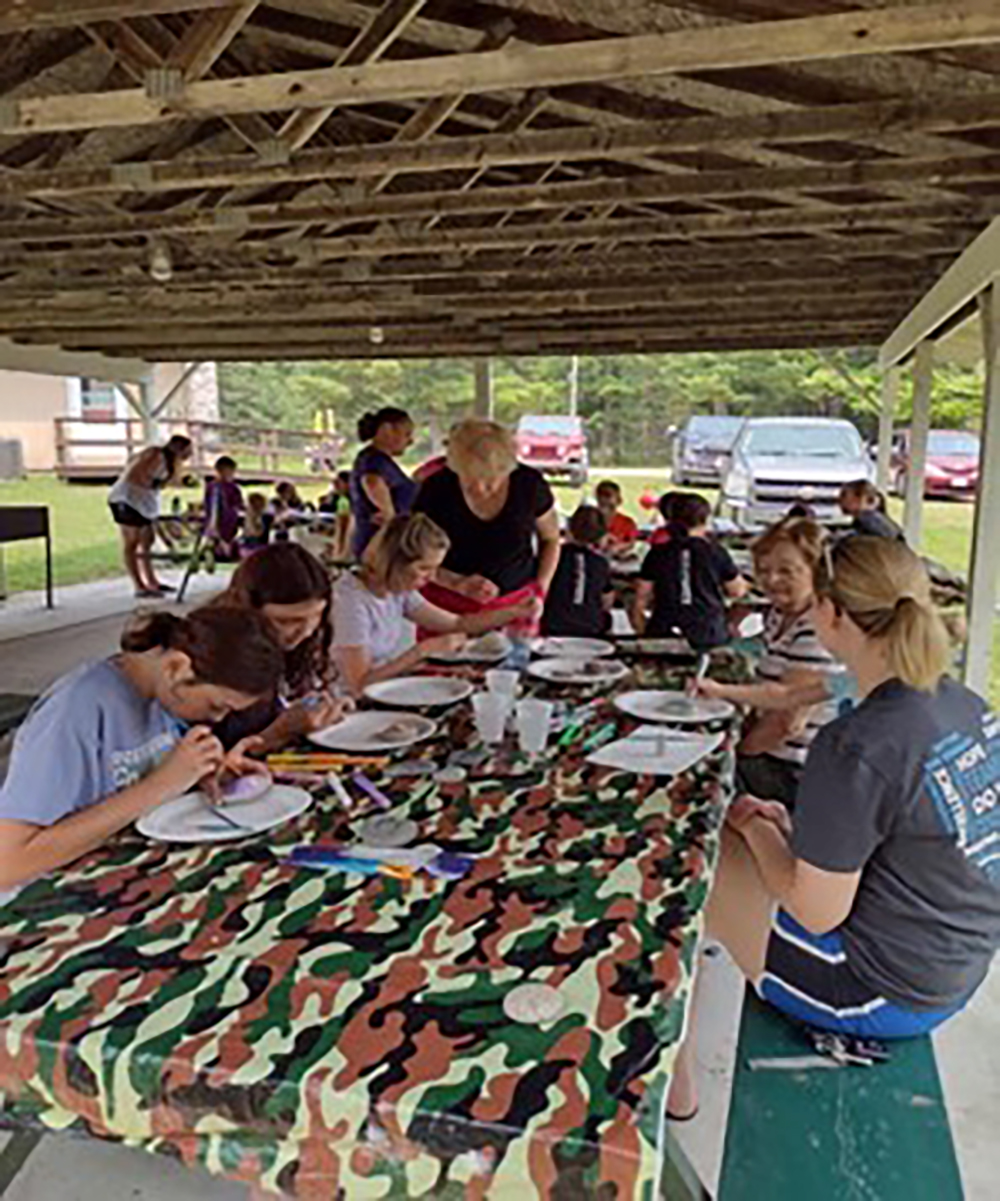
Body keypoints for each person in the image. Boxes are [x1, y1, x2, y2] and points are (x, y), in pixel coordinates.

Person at [667, 536, 1000, 1121]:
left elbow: (816, 912)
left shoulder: (857, 743)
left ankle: (672, 1094)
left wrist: (755, 828)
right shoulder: (964, 704)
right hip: (956, 966)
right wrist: (787, 826)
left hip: (877, 992)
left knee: (688, 865)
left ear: (832, 613)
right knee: (741, 840)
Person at [0, 608, 284, 893]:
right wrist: (161, 785)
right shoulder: (77, 710)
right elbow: (9, 863)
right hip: (42, 903)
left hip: (116, 878)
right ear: (176, 668)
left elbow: (149, 773)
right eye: (217, 705)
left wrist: (204, 773)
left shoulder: (164, 697)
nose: (217, 719)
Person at [698, 519, 846, 808]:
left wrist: (739, 753)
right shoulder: (781, 614)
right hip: (779, 757)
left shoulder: (818, 628)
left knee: (698, 782)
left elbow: (787, 722)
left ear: (817, 571)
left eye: (786, 571)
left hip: (797, 774)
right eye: (763, 570)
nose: (771, 579)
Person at [332, 514, 540, 697]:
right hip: (346, 704)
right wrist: (422, 652)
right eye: (424, 568)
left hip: (386, 689)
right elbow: (358, 685)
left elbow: (458, 623)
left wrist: (516, 610)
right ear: (394, 561)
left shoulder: (396, 589)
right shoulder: (350, 601)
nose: (431, 578)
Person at [412, 419, 561, 622]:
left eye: (492, 479)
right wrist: (456, 582)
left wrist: (540, 590)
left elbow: (551, 539)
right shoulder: (435, 489)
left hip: (517, 605)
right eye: (471, 479)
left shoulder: (529, 485)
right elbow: (412, 556)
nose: (482, 488)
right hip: (446, 609)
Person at [210, 542, 348, 752]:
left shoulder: (296, 643)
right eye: (287, 621)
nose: (307, 631)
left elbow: (292, 695)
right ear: (247, 610)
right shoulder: (210, 656)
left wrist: (321, 705)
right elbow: (201, 767)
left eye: (317, 616)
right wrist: (277, 733)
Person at [630, 493, 746, 648]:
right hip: (707, 632)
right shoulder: (715, 552)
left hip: (665, 628)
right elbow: (737, 591)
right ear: (705, 520)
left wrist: (644, 631)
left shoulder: (658, 553)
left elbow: (641, 597)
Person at [108, 433, 193, 598]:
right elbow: (135, 475)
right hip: (127, 500)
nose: (190, 455)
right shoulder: (156, 454)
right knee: (132, 542)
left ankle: (152, 581)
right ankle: (139, 586)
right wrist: (155, 484)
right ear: (179, 448)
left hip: (144, 503)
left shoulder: (171, 462)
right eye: (188, 450)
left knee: (148, 540)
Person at [349, 407, 417, 557]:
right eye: (406, 434)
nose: (410, 441)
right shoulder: (375, 460)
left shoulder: (374, 459)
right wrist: (389, 514)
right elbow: (371, 481)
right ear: (387, 429)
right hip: (378, 543)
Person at [541, 506, 614, 638]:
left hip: (553, 626)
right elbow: (607, 600)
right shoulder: (600, 563)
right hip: (591, 628)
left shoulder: (553, 556)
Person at [203, 455, 244, 561]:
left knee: (226, 539)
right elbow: (210, 505)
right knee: (218, 538)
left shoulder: (233, 488)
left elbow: (238, 504)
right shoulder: (213, 487)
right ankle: (217, 551)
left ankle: (223, 552)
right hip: (219, 519)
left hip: (229, 520)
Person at [839, 479, 904, 541]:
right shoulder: (874, 517)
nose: (839, 500)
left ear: (859, 498)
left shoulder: (869, 519)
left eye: (844, 495)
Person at [318, 470, 354, 560]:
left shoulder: (345, 501)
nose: (336, 486)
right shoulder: (340, 499)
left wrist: (338, 552)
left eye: (339, 483)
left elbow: (342, 526)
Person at [595, 480, 639, 551]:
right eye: (600, 495)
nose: (603, 499)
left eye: (607, 495)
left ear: (619, 500)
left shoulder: (627, 523)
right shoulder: (588, 520)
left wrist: (618, 547)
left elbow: (631, 543)